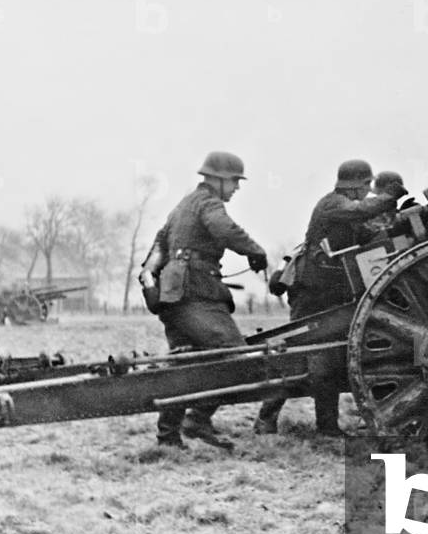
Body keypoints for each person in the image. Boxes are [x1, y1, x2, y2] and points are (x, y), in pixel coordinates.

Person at [255, 159, 407, 436]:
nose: (367, 192)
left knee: (330, 360)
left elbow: (370, 235)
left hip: (327, 293)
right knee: (297, 353)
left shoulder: (347, 214)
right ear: (356, 186)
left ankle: (327, 426)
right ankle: (266, 419)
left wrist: (402, 224)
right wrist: (390, 196)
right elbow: (362, 211)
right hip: (309, 292)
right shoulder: (333, 204)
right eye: (366, 186)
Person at [139, 151, 267, 450]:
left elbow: (158, 246)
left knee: (184, 364)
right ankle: (197, 418)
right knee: (234, 358)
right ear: (219, 180)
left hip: (172, 295)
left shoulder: (182, 206)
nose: (236, 188)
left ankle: (169, 438)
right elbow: (224, 229)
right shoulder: (209, 203)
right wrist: (255, 251)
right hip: (197, 293)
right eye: (234, 181)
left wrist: (150, 279)